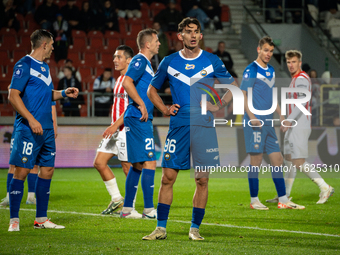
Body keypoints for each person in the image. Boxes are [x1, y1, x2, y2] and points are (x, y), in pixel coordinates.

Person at [142, 17, 237, 241]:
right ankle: (160, 228)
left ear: (201, 36)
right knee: (167, 178)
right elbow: (151, 90)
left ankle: (194, 228)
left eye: (196, 31)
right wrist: (164, 109)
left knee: (202, 179)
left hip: (204, 125)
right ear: (180, 36)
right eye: (188, 31)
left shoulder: (212, 60)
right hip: (179, 125)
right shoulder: (168, 61)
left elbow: (233, 87)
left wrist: (219, 105)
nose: (192, 35)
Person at [7, 29, 79, 231]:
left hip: (46, 129)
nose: (53, 49)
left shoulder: (46, 68)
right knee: (21, 171)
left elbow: (47, 95)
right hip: (29, 129)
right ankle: (14, 220)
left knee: (47, 170)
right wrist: (31, 120)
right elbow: (13, 96)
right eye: (52, 45)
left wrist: (64, 93)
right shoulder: (24, 65)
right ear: (44, 44)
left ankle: (41, 219)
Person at [240, 36, 305, 210]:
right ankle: (254, 200)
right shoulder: (251, 69)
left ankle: (283, 199)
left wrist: (281, 116)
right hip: (254, 122)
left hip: (268, 122)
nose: (269, 54)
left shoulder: (270, 70)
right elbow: (243, 95)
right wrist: (252, 117)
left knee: (277, 159)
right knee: (257, 160)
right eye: (266, 50)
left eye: (271, 51)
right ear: (258, 50)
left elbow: (271, 96)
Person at [104, 28, 160, 219]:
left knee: (137, 164)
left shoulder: (146, 64)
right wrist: (142, 104)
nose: (159, 43)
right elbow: (128, 82)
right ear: (147, 44)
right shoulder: (139, 60)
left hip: (138, 117)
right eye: (156, 40)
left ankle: (127, 209)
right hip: (138, 117)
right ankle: (149, 210)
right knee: (150, 161)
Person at [266, 50, 334, 204]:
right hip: (294, 125)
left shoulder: (301, 79)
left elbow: (302, 101)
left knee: (298, 161)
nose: (291, 65)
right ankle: (285, 194)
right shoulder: (295, 79)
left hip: (299, 125)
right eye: (288, 62)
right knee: (289, 159)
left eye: (294, 62)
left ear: (299, 63)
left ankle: (324, 187)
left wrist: (289, 120)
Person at [94, 45, 141, 216]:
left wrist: (115, 125)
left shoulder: (131, 80)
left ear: (129, 60)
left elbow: (131, 107)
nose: (115, 60)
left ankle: (130, 208)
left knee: (128, 167)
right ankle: (117, 200)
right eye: (114, 57)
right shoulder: (119, 79)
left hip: (125, 129)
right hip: (115, 128)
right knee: (99, 162)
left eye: (119, 57)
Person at [1, 102, 58, 207]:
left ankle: (31, 197)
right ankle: (9, 197)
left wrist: (54, 125)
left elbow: (52, 105)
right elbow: (12, 92)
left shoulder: (45, 87)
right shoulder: (24, 85)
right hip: (22, 127)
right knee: (15, 164)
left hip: (39, 127)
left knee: (34, 163)